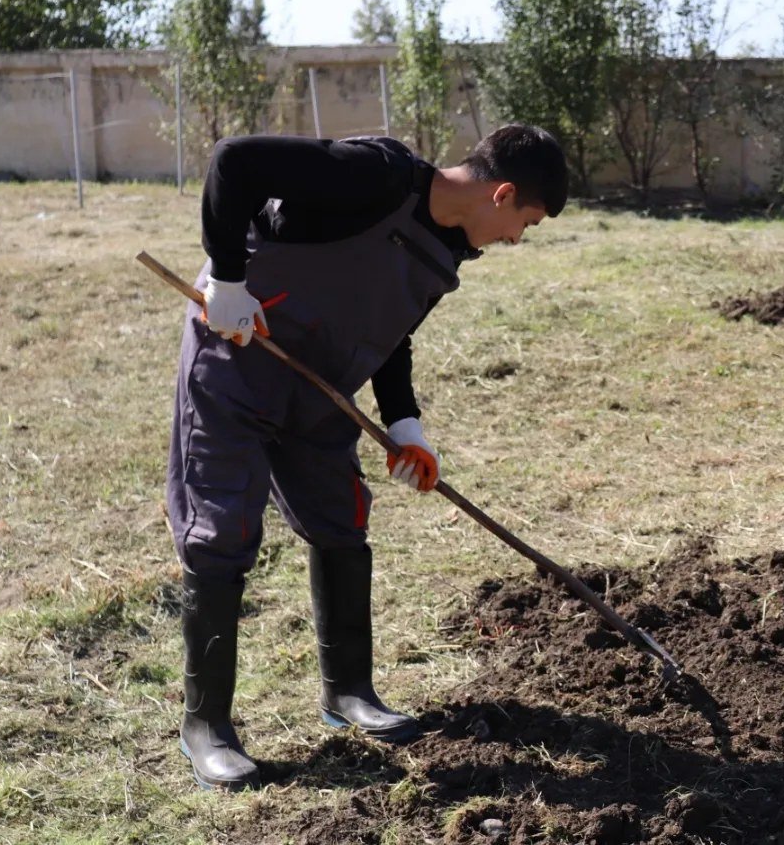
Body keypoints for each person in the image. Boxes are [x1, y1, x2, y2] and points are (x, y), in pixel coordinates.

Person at [165, 124, 568, 791]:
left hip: (321, 386)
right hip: (239, 353)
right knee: (223, 530)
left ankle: (349, 692)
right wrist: (229, 279)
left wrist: (406, 423)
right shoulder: (374, 176)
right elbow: (234, 163)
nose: (517, 239)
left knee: (341, 519)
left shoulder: (449, 250)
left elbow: (392, 330)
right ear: (501, 193)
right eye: (524, 222)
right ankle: (207, 727)